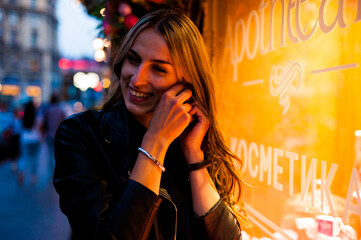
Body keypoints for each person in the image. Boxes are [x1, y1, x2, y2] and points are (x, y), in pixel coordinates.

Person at [54, 9, 248, 239]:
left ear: (186, 84)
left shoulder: (193, 144)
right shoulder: (81, 134)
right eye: (133, 59)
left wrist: (195, 157)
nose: (137, 79)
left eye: (158, 68)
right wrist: (155, 141)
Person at [18, 99, 42, 185]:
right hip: (35, 139)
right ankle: (33, 177)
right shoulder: (38, 116)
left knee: (25, 157)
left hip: (25, 139)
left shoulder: (23, 117)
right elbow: (40, 129)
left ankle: (22, 172)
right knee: (35, 158)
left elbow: (19, 128)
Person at [42, 93, 66, 176]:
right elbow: (64, 123)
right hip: (58, 135)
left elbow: (44, 123)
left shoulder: (47, 111)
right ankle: (57, 171)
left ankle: (51, 172)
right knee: (57, 154)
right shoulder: (61, 111)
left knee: (50, 154)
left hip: (49, 135)